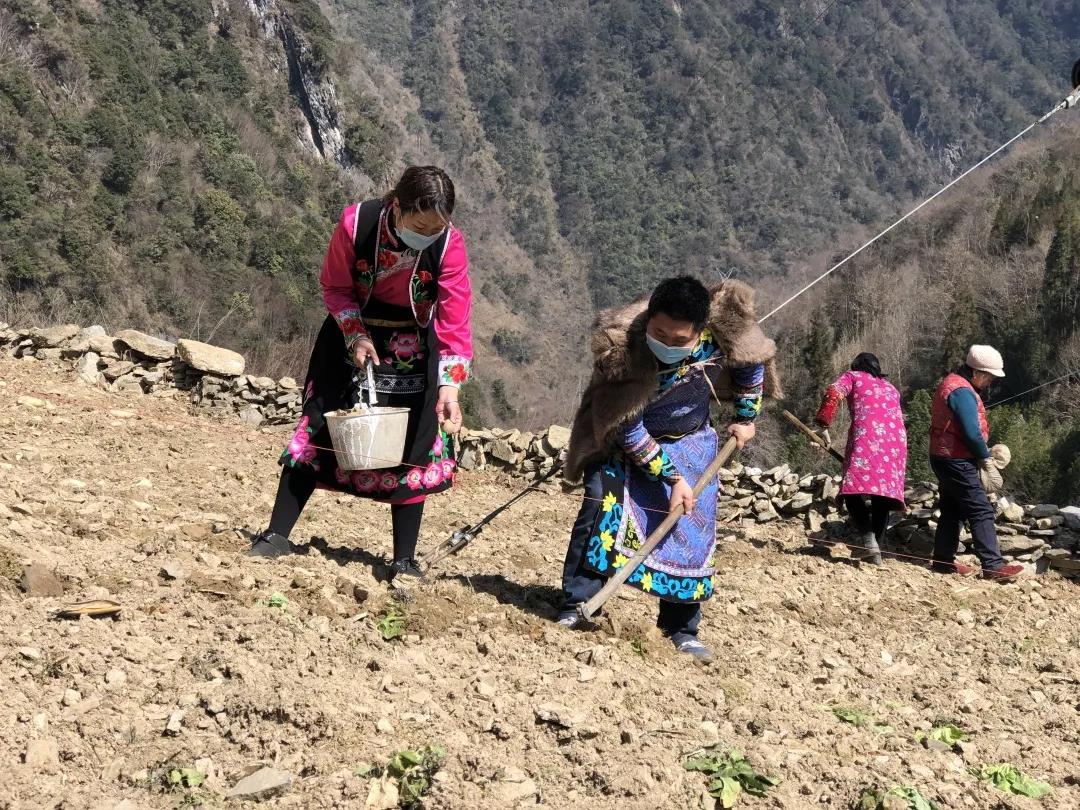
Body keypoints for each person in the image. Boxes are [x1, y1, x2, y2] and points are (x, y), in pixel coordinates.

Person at [249, 166, 473, 584]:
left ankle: (403, 559)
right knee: (320, 428)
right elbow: (335, 287)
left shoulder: (449, 246)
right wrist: (355, 335)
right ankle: (277, 534)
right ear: (397, 205)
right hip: (350, 340)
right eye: (419, 226)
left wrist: (449, 387)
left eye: (436, 228)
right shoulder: (357, 225)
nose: (427, 235)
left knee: (413, 443)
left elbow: (454, 319)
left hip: (414, 351)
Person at [558, 276, 782, 663]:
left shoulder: (720, 338)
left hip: (693, 443)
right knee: (600, 505)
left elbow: (751, 365)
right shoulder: (622, 350)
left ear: (700, 330)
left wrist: (747, 417)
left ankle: (680, 628)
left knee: (691, 530)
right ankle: (578, 600)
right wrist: (672, 477)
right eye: (659, 333)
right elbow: (625, 424)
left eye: (680, 340)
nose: (667, 343)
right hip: (622, 443)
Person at [928, 345, 1023, 581]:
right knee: (980, 508)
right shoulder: (962, 392)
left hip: (943, 456)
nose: (990, 381)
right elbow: (971, 433)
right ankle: (992, 565)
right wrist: (985, 457)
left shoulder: (952, 383)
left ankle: (942, 560)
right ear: (976, 372)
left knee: (953, 508)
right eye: (989, 376)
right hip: (957, 458)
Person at [813, 353, 907, 565]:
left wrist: (823, 424)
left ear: (856, 366)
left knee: (852, 488)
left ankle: (867, 538)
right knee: (882, 496)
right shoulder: (891, 388)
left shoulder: (853, 376)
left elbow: (833, 391)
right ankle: (876, 552)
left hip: (868, 437)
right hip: (896, 443)